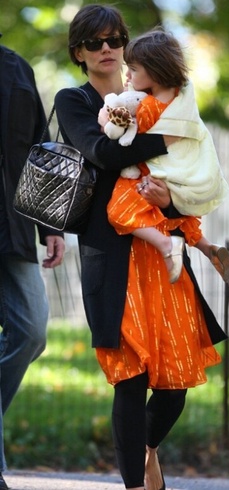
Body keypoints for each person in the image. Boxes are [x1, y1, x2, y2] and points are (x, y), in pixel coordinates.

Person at [55, 4, 228, 490]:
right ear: (79, 53)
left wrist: (172, 196)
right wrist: (169, 135)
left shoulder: (160, 94)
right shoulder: (75, 101)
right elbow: (104, 153)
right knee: (130, 380)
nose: (108, 49)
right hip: (110, 255)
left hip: (163, 251)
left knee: (173, 387)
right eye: (95, 43)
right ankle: (134, 482)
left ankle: (147, 448)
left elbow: (184, 171)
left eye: (115, 40)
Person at [101, 29, 229, 284]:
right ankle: (209, 248)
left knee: (118, 211)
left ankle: (166, 245)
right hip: (178, 178)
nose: (127, 75)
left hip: (151, 176)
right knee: (185, 219)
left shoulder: (149, 106)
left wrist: (106, 117)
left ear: (154, 70)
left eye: (134, 69)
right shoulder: (180, 97)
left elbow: (127, 139)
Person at [0, 37, 65, 490]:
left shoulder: (18, 69)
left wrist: (52, 226)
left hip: (14, 228)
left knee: (31, 331)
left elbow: (40, 152)